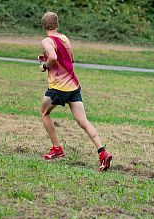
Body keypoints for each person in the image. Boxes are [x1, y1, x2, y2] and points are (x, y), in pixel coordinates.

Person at [38, 11, 112, 171]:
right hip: (73, 85)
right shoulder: (64, 38)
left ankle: (57, 149)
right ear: (57, 24)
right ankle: (102, 153)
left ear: (44, 26)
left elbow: (53, 57)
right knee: (83, 122)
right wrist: (50, 61)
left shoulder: (46, 41)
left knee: (44, 113)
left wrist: (45, 65)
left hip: (59, 87)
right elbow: (69, 58)